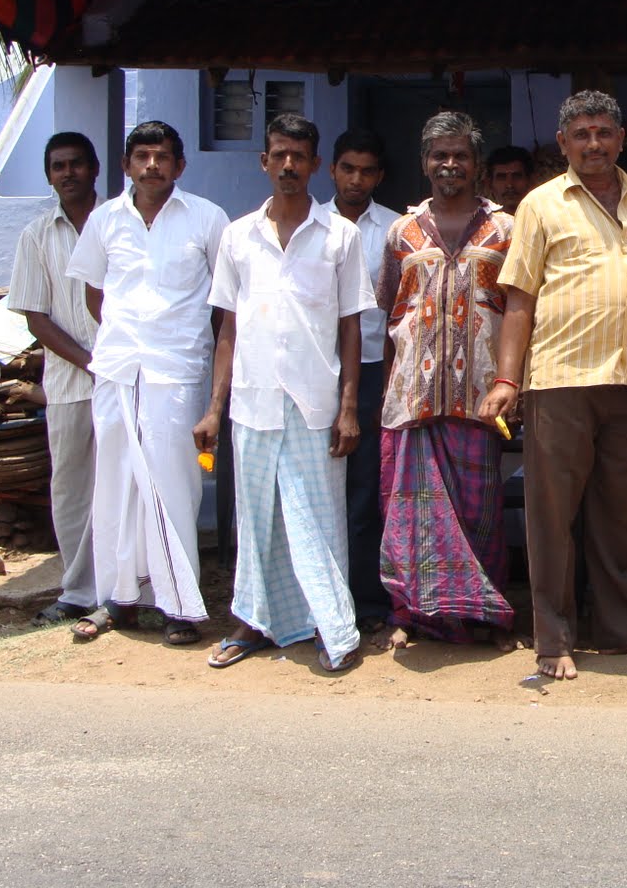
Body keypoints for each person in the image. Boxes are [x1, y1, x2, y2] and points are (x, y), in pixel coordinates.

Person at [478, 90, 627, 681]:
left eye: (604, 133)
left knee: (619, 514)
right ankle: (554, 638)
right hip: (560, 379)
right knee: (552, 516)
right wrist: (509, 376)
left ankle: (621, 629)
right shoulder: (541, 205)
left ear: (620, 138)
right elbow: (519, 297)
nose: (594, 144)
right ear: (563, 144)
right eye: (582, 134)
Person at [196, 115, 371, 673]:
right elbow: (227, 329)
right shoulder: (237, 236)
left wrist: (348, 408)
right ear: (264, 161)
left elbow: (350, 328)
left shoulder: (339, 235)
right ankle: (253, 622)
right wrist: (214, 407)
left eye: (299, 156)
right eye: (279, 155)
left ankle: (331, 627)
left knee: (319, 519)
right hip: (252, 402)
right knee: (257, 520)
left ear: (314, 165)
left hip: (315, 404)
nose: (289, 165)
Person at [66, 121, 228, 645]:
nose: (152, 165)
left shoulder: (206, 219)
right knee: (114, 482)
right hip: (117, 369)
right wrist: (122, 335)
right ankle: (119, 599)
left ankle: (180, 605)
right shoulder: (105, 221)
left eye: (162, 157)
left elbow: (226, 306)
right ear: (126, 164)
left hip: (176, 369)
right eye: (142, 156)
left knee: (174, 482)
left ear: (180, 166)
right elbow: (97, 294)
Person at [377, 112, 518, 651]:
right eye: (440, 155)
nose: (450, 164)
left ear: (477, 164)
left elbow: (521, 309)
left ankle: (485, 618)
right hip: (414, 398)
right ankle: (412, 615)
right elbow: (392, 311)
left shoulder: (507, 230)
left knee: (480, 512)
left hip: (481, 397)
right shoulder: (401, 232)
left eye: (460, 154)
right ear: (424, 163)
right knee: (411, 511)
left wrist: (513, 381)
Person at [8, 133, 101, 626]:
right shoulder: (37, 236)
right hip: (70, 385)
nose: (68, 173)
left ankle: (127, 589)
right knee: (71, 488)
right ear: (49, 175)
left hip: (128, 381)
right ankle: (79, 591)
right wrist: (91, 362)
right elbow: (36, 317)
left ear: (95, 169)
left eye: (76, 164)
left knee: (125, 485)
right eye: (58, 166)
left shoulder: (120, 225)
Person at [328, 128, 401, 634]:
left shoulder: (395, 230)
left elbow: (398, 311)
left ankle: (367, 601)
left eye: (367, 170)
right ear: (332, 169)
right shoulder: (308, 223)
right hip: (314, 370)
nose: (357, 179)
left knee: (364, 489)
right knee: (315, 486)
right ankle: (318, 594)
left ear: (379, 176)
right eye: (348, 168)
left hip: (376, 367)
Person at [485, 145, 534, 214]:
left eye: (516, 176)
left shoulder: (545, 220)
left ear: (530, 181)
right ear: (490, 184)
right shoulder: (480, 222)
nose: (509, 185)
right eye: (502, 178)